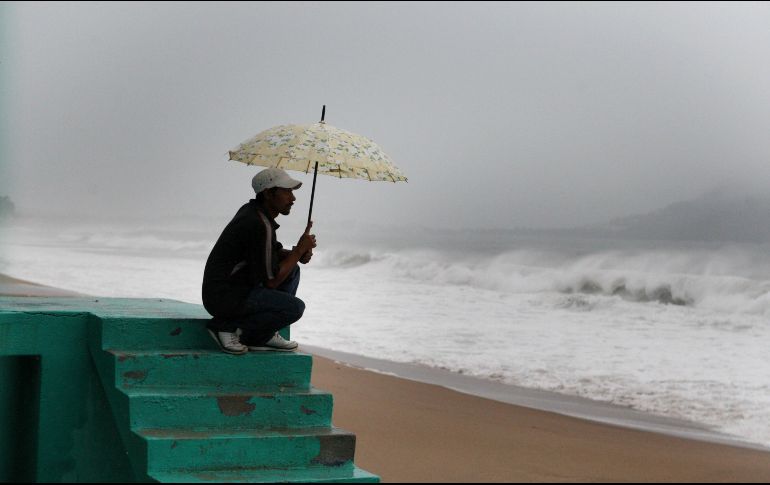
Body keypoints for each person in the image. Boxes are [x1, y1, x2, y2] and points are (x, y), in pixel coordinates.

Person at [202, 167, 317, 354]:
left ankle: (261, 335)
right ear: (268, 194)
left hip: (232, 290)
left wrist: (298, 252)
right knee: (294, 308)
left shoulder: (255, 213)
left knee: (293, 270)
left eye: (292, 192)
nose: (293, 198)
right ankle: (224, 326)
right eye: (286, 191)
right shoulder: (257, 223)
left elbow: (272, 251)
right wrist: (297, 252)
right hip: (224, 297)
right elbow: (271, 281)